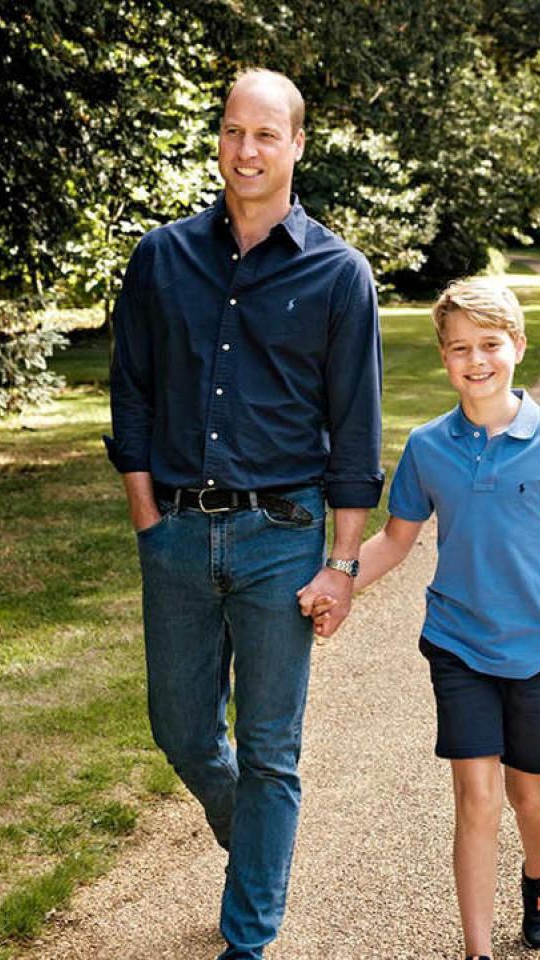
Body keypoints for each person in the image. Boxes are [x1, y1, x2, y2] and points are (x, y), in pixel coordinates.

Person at [104, 69, 383, 959]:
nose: (247, 150)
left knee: (269, 749)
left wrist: (342, 563)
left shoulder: (341, 274)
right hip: (177, 534)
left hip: (283, 538)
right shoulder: (162, 258)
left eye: (267, 134)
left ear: (298, 145)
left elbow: (356, 432)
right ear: (219, 140)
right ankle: (256, 850)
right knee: (182, 730)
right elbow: (133, 395)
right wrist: (147, 519)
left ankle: (248, 937)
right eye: (233, 132)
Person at [341, 277, 540, 960]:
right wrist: (339, 580)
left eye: (490, 345)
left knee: (530, 797)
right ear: (444, 357)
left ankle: (538, 877)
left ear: (517, 348)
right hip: (457, 643)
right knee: (476, 796)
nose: (477, 361)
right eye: (460, 348)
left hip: (538, 645)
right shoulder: (429, 446)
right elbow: (396, 540)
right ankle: (476, 948)